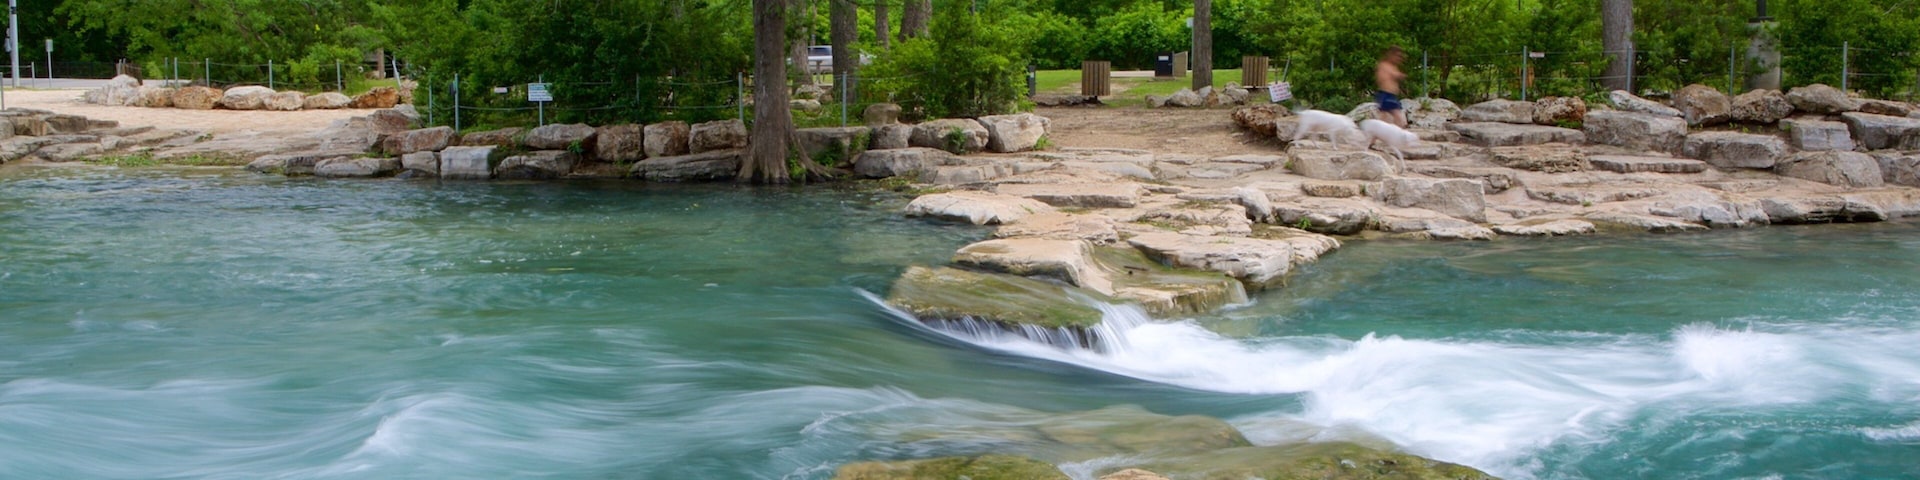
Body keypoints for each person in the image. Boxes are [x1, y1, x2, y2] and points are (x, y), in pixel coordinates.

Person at [1374, 46, 1409, 128]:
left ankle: (1373, 136)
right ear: (1391, 55)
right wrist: (1395, 75)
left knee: (1383, 118)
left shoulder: (1393, 67)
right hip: (1386, 95)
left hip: (1391, 95)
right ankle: (1401, 134)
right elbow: (1381, 79)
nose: (1399, 59)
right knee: (1398, 117)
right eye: (1397, 56)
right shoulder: (1383, 65)